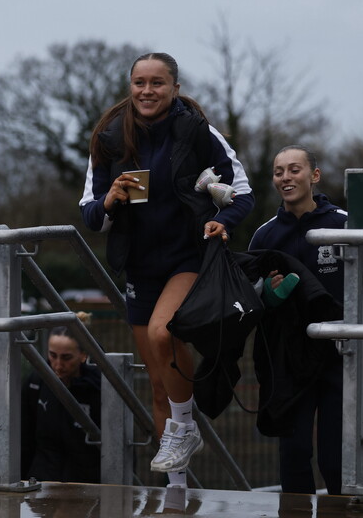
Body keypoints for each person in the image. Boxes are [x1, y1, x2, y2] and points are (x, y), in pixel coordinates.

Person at [80, 52, 254, 489]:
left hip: (189, 258)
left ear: (175, 88)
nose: (147, 91)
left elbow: (244, 194)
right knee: (159, 385)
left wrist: (223, 222)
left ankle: (186, 428)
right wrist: (110, 201)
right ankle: (175, 492)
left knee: (164, 333)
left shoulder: (196, 130)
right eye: (139, 82)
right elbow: (91, 217)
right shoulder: (110, 137)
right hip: (141, 265)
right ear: (130, 86)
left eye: (157, 83)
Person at [248, 145, 347, 495]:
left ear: (314, 176)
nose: (286, 178)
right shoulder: (265, 235)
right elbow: (249, 299)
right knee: (294, 453)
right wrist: (269, 296)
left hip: (341, 356)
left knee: (336, 460)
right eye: (279, 171)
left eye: (294, 169)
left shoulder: (345, 225)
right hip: (290, 359)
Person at [21, 312, 101, 483]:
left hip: (86, 487)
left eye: (66, 358)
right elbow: (24, 440)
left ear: (83, 354)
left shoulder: (99, 388)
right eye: (52, 355)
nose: (57, 365)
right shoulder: (36, 383)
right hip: (42, 483)